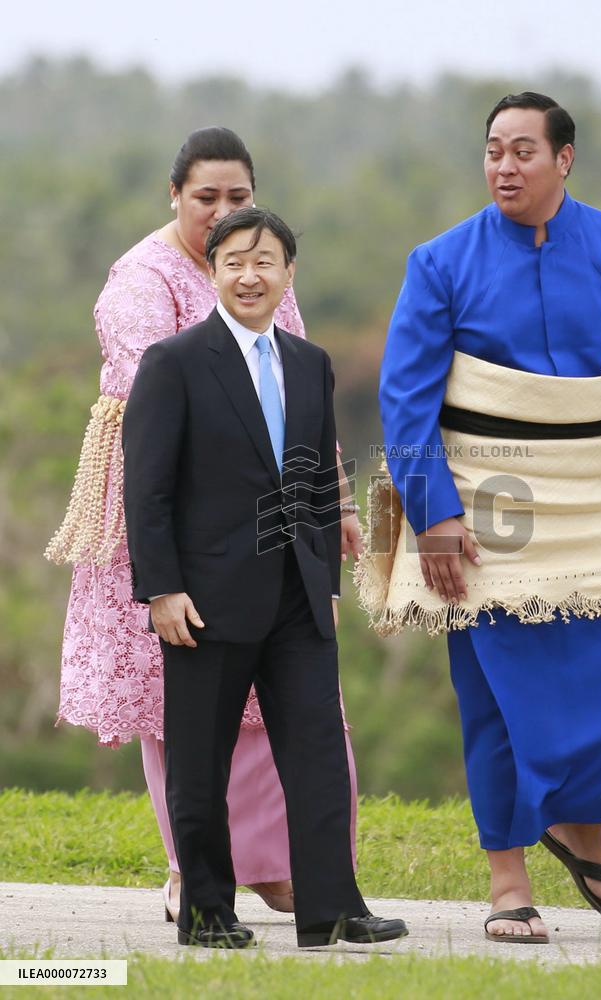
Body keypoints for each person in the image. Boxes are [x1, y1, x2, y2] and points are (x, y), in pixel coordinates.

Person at [363, 91, 601, 944]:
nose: (504, 165)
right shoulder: (440, 261)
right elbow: (405, 398)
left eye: (523, 150)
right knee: (498, 693)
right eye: (493, 149)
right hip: (485, 495)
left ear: (563, 159)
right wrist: (432, 513)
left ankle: (578, 826)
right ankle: (507, 884)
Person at [45, 127, 361, 923]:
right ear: (174, 197)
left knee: (290, 701)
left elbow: (299, 393)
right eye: (206, 198)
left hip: (273, 515)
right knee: (184, 705)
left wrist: (334, 504)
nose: (223, 213)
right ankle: (197, 875)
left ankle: (291, 871)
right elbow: (171, 403)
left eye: (238, 198)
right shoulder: (139, 279)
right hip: (176, 515)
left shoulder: (261, 266)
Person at [122, 206, 406, 948]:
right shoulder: (175, 362)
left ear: (289, 273)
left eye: (265, 261)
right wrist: (160, 590)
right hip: (204, 602)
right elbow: (145, 490)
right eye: (233, 263)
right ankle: (208, 910)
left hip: (297, 598)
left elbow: (316, 484)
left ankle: (332, 909)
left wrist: (326, 585)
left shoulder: (308, 364)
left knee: (316, 755)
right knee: (201, 764)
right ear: (212, 272)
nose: (250, 275)